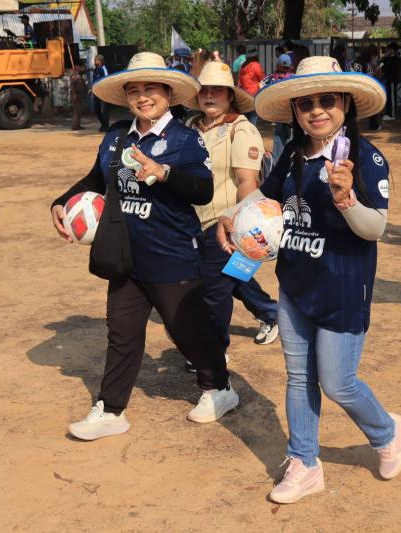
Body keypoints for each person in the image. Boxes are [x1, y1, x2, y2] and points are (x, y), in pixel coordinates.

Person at [218, 56, 401, 503]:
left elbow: (375, 228)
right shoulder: (291, 155)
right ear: (294, 110)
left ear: (346, 102)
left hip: (343, 287)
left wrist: (346, 200)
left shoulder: (366, 158)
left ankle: (387, 431)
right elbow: (264, 199)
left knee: (338, 382)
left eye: (327, 100)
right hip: (295, 286)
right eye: (306, 103)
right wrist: (232, 216)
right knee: (299, 376)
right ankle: (304, 462)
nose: (317, 110)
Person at [50, 52, 238, 440]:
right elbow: (95, 179)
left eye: (151, 88)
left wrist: (164, 172)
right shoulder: (117, 136)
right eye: (133, 90)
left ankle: (219, 387)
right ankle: (111, 410)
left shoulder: (185, 139)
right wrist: (61, 201)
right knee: (122, 332)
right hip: (126, 255)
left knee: (186, 330)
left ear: (168, 93)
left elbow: (202, 190)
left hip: (172, 253)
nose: (142, 96)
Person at [183, 61, 280, 368]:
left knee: (213, 290)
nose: (209, 95)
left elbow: (246, 182)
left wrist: (236, 223)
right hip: (190, 222)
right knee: (232, 276)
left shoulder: (241, 129)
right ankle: (271, 313)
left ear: (230, 96)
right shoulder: (190, 127)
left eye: (217, 90)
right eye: (204, 90)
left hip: (223, 222)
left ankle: (213, 352)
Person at [262, 53, 295, 161]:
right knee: (291, 143)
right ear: (290, 66)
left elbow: (260, 86)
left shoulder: (271, 78)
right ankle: (289, 163)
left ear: (277, 65)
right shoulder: (294, 77)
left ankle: (278, 164)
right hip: (291, 115)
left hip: (278, 114)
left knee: (278, 143)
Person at [237, 48, 264, 125]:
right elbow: (262, 79)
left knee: (245, 117)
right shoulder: (256, 65)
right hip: (254, 94)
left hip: (244, 94)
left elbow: (239, 81)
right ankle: (252, 131)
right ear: (256, 56)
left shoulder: (243, 65)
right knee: (253, 118)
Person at [382, 42, 401, 120]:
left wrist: (386, 57)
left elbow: (390, 67)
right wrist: (385, 57)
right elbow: (382, 65)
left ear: (392, 50)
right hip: (388, 79)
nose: (387, 50)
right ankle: (389, 113)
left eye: (389, 49)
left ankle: (392, 114)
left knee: (392, 96)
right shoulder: (387, 58)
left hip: (392, 79)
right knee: (389, 96)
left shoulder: (396, 58)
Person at [91, 55, 110, 131]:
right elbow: (94, 80)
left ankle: (106, 126)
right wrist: (91, 88)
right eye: (94, 60)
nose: (94, 61)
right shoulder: (95, 70)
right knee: (96, 110)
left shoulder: (103, 68)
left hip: (103, 93)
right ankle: (103, 124)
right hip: (96, 93)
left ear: (100, 61)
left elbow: (107, 79)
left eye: (96, 60)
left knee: (104, 110)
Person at [69, 65, 87, 130]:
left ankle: (78, 124)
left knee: (79, 111)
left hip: (80, 95)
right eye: (81, 67)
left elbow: (84, 85)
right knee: (76, 111)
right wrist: (74, 94)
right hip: (76, 95)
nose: (83, 69)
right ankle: (75, 126)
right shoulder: (75, 76)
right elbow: (72, 85)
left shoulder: (80, 76)